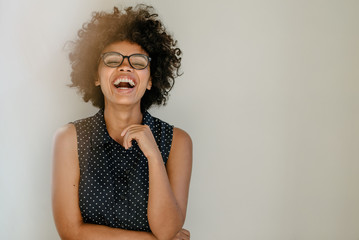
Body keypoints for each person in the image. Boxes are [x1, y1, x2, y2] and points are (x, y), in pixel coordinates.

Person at [52, 5, 192, 240]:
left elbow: (167, 230)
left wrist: (154, 156)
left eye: (138, 62)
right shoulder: (69, 138)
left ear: (151, 79)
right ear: (96, 76)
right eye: (112, 60)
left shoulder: (178, 141)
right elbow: (70, 232)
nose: (125, 66)